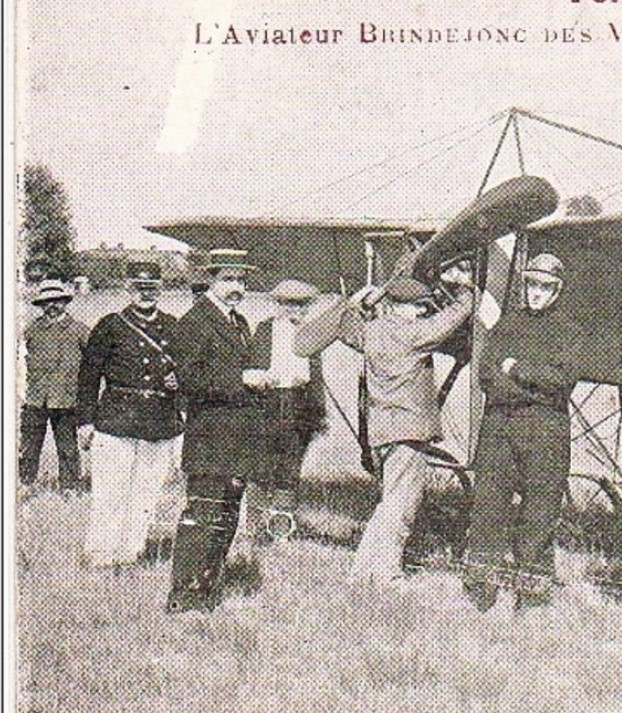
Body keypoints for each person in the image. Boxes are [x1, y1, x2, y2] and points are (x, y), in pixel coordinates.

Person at [297, 268, 475, 582]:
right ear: (396, 306)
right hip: (408, 433)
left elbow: (345, 325)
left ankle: (361, 571)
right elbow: (456, 316)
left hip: (380, 433)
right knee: (402, 508)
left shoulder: (372, 332)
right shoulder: (414, 335)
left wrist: (356, 303)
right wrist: (464, 286)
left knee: (388, 503)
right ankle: (388, 574)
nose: (422, 310)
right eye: (416, 305)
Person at [462, 253, 587, 612]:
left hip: (545, 434)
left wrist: (516, 369)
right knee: (488, 508)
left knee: (539, 514)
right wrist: (530, 385)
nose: (537, 293)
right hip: (499, 427)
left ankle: (531, 597)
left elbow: (562, 382)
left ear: (558, 290)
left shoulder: (569, 331)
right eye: (532, 284)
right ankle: (479, 592)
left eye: (545, 287)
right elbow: (487, 374)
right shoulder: (506, 323)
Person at [166, 249, 268, 613]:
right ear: (211, 279)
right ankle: (185, 598)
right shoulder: (194, 321)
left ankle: (208, 592)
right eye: (229, 279)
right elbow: (189, 380)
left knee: (226, 517)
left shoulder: (240, 323)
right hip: (209, 439)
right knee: (202, 518)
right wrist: (241, 380)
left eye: (241, 280)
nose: (237, 287)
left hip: (237, 438)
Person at [77, 262, 183, 570]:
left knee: (145, 496)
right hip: (116, 422)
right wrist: (85, 421)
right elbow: (88, 376)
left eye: (151, 288)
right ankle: (100, 556)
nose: (146, 293)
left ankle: (131, 553)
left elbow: (187, 371)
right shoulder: (110, 325)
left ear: (160, 290)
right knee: (110, 493)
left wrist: (180, 381)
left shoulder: (173, 326)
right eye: (139, 287)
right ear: (128, 288)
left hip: (158, 423)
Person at [249, 279, 327, 540]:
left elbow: (317, 377)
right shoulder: (264, 330)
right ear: (279, 304)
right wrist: (262, 379)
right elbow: (252, 367)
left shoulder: (312, 333)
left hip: (299, 404)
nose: (297, 311)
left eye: (303, 306)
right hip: (267, 402)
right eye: (291, 305)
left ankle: (281, 528)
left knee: (291, 467)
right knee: (261, 465)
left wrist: (319, 415)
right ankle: (253, 526)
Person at [19, 279, 89, 490]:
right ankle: (25, 485)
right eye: (46, 302)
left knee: (67, 447)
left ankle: (69, 488)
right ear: (41, 305)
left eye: (56, 301)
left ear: (65, 302)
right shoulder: (31, 331)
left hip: (67, 400)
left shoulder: (79, 330)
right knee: (29, 447)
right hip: (35, 400)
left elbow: (92, 365)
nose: (52, 306)